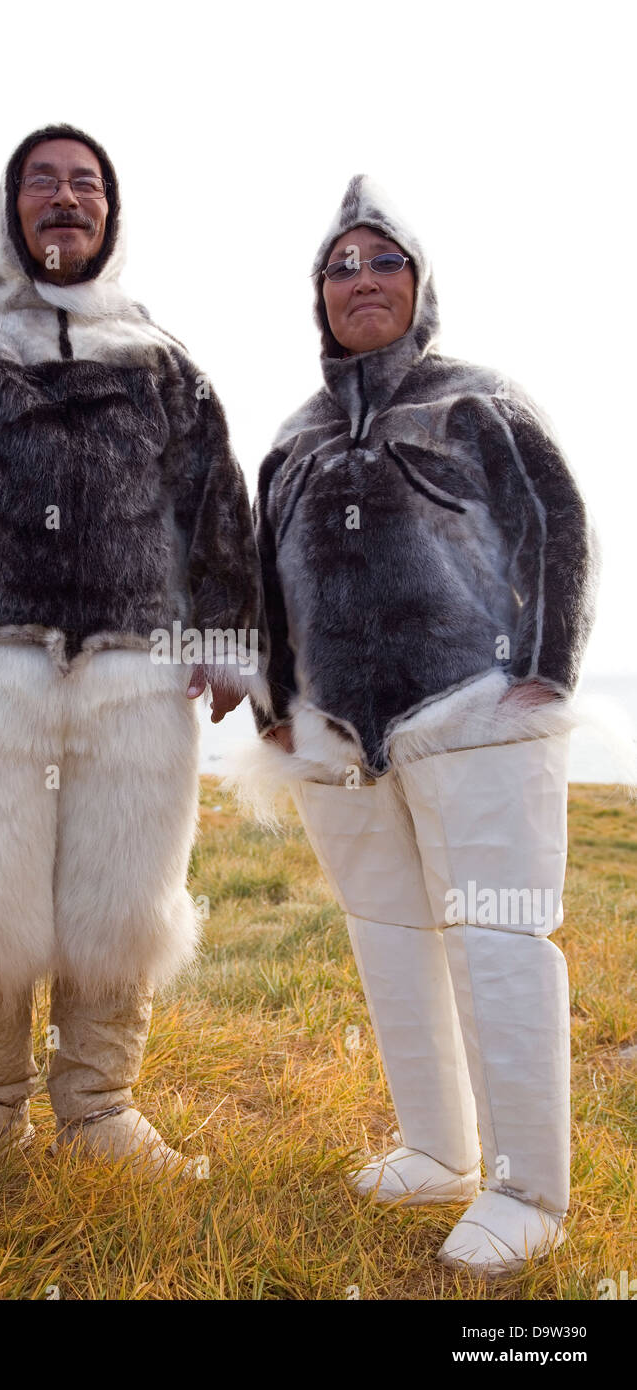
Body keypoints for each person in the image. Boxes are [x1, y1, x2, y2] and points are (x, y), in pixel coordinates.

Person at [0, 123, 264, 1192]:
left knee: (123, 893)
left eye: (84, 184)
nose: (64, 198)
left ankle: (100, 1103)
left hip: (139, 666)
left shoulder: (166, 364)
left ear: (111, 214)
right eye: (43, 182)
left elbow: (216, 505)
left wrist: (225, 638)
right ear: (10, 208)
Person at [246, 174, 599, 1276]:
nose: (361, 278)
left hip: (471, 709)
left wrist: (540, 670)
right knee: (389, 941)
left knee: (497, 938)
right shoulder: (292, 438)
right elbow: (259, 576)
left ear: (418, 282)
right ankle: (436, 1149)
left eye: (381, 259)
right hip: (337, 736)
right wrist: (271, 703)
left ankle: (528, 1188)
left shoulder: (474, 401)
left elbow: (558, 527)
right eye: (340, 265)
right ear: (317, 295)